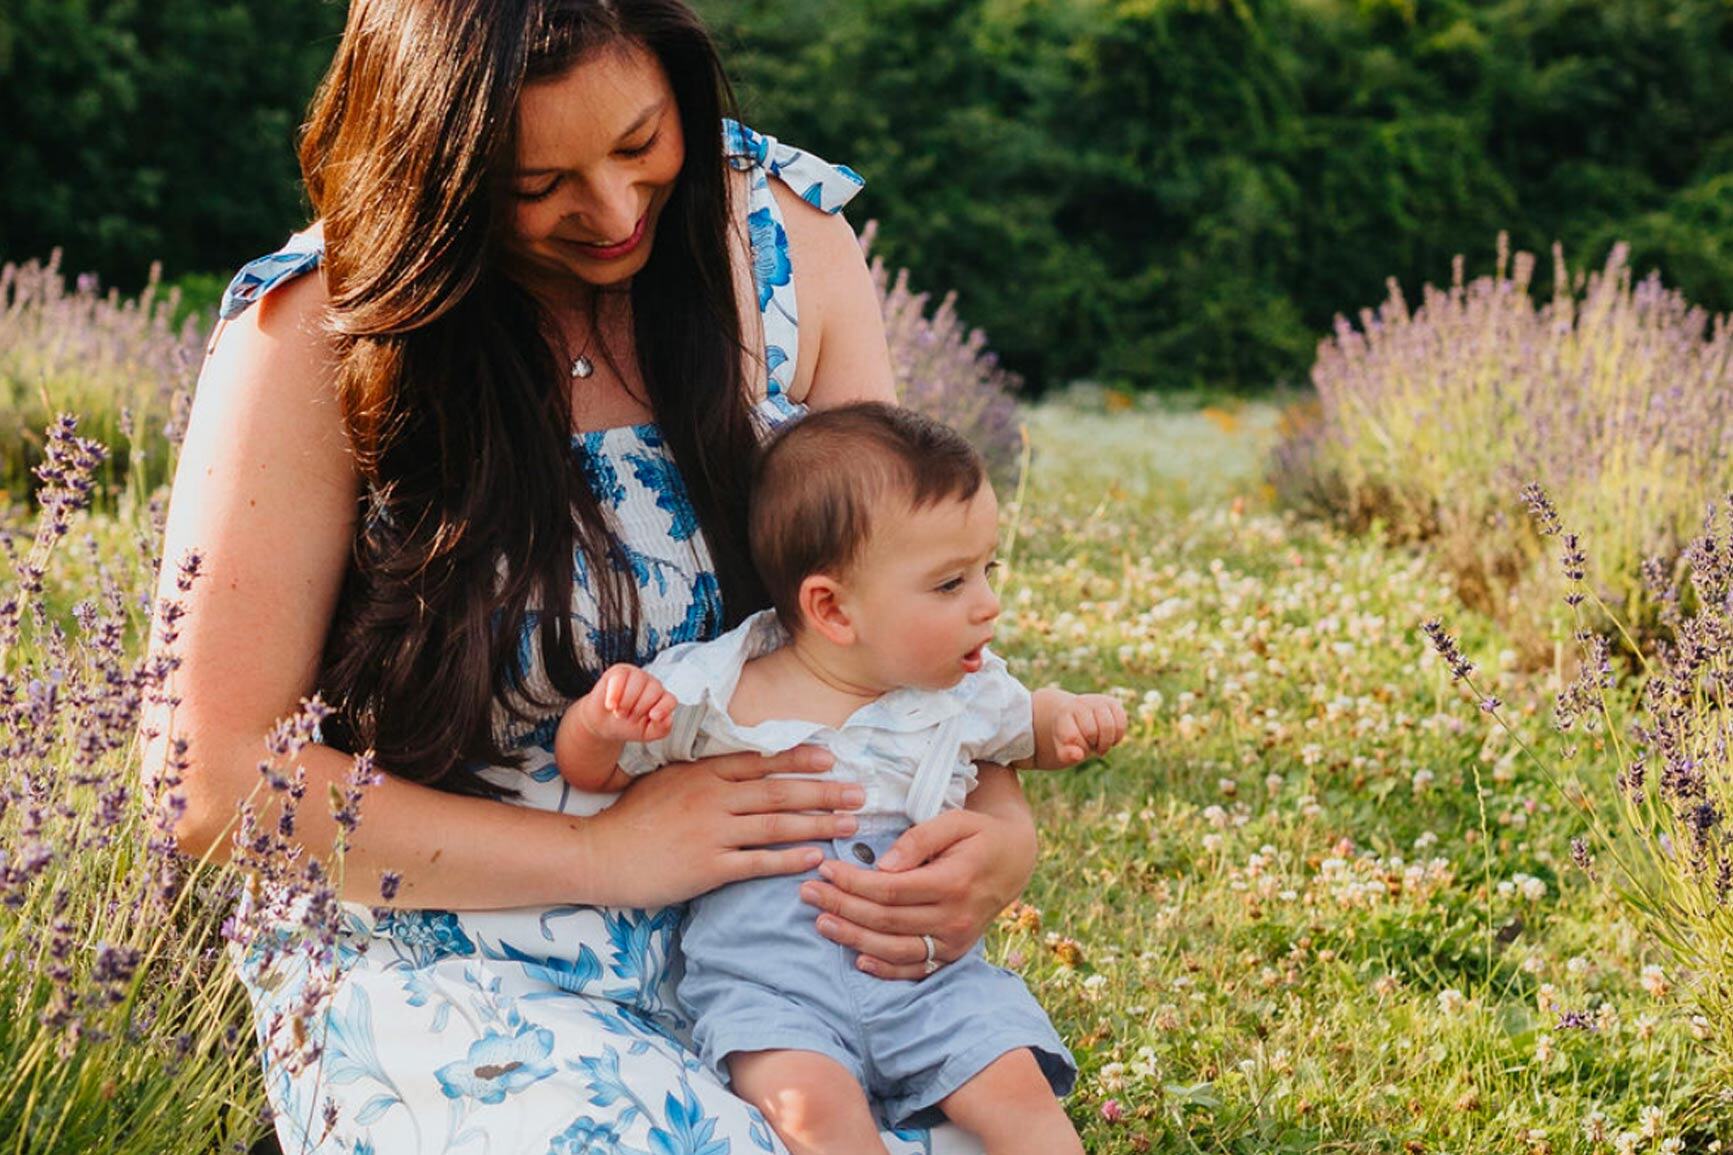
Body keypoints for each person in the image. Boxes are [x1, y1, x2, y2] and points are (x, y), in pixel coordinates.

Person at [143, 1, 1045, 1152]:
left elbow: (896, 590)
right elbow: (210, 784)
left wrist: (999, 825)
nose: (615, 212)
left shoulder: (783, 246)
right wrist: (600, 856)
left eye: (639, 144)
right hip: (453, 932)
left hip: (775, 931)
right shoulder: (321, 332)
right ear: (436, 169)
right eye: (535, 185)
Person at [556, 403, 1126, 1154]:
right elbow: (593, 773)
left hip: (927, 977)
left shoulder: (962, 692)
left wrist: (1070, 720)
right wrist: (602, 724)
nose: (988, 606)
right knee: (813, 1113)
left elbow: (1028, 730)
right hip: (770, 984)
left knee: (1017, 1090)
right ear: (831, 607)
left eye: (988, 571)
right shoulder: (722, 686)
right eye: (950, 583)